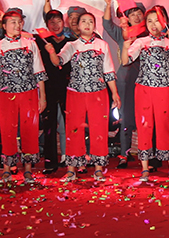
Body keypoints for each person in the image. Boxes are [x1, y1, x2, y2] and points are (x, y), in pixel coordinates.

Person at [45, 13, 121, 182]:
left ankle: (98, 169)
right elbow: (58, 62)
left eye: (91, 21)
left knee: (99, 129)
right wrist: (51, 52)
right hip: (75, 94)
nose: (87, 24)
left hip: (98, 93)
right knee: (74, 130)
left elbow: (108, 71)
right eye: (83, 21)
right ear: (77, 26)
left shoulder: (102, 45)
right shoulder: (72, 45)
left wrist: (115, 93)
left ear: (94, 25)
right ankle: (72, 169)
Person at [121, 6, 169, 182]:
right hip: (144, 89)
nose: (153, 24)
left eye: (157, 20)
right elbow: (126, 61)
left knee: (166, 126)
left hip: (165, 89)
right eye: (149, 21)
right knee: (144, 127)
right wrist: (125, 48)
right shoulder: (141, 42)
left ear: (164, 22)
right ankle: (145, 168)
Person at [0, 10, 47, 184]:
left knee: (29, 130)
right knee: (7, 130)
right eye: (13, 22)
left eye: (19, 22)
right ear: (4, 26)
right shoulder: (0, 46)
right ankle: (7, 169)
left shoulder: (30, 44)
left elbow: (39, 70)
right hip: (6, 94)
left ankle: (28, 170)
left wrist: (42, 97)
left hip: (29, 93)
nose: (17, 25)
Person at [102, 0, 146, 168]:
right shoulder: (123, 33)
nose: (136, 17)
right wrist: (108, 5)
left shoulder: (150, 33)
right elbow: (106, 24)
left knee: (145, 116)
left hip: (146, 78)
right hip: (125, 78)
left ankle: (147, 153)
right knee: (125, 116)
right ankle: (124, 154)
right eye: (132, 14)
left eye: (138, 13)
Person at [35, 10, 75, 174]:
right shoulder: (41, 42)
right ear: (47, 25)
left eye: (58, 21)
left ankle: (73, 159)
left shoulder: (71, 42)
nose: (56, 25)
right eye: (52, 22)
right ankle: (50, 162)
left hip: (68, 87)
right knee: (49, 125)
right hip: (49, 87)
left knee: (71, 124)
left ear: (63, 23)